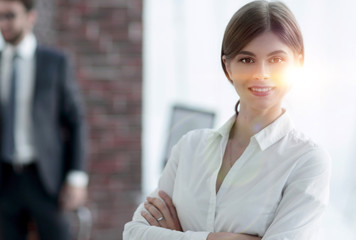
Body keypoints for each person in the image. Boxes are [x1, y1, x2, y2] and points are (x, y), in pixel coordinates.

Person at [123, 0, 331, 239]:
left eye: (276, 60)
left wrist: (178, 235)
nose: (261, 73)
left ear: (299, 64)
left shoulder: (307, 160)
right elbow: (133, 233)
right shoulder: (189, 147)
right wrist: (214, 238)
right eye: (246, 59)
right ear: (227, 66)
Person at [0, 0, 88, 239]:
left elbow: (76, 121)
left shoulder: (55, 62)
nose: (3, 24)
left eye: (10, 15)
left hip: (44, 179)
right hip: (5, 179)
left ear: (31, 17)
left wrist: (77, 176)